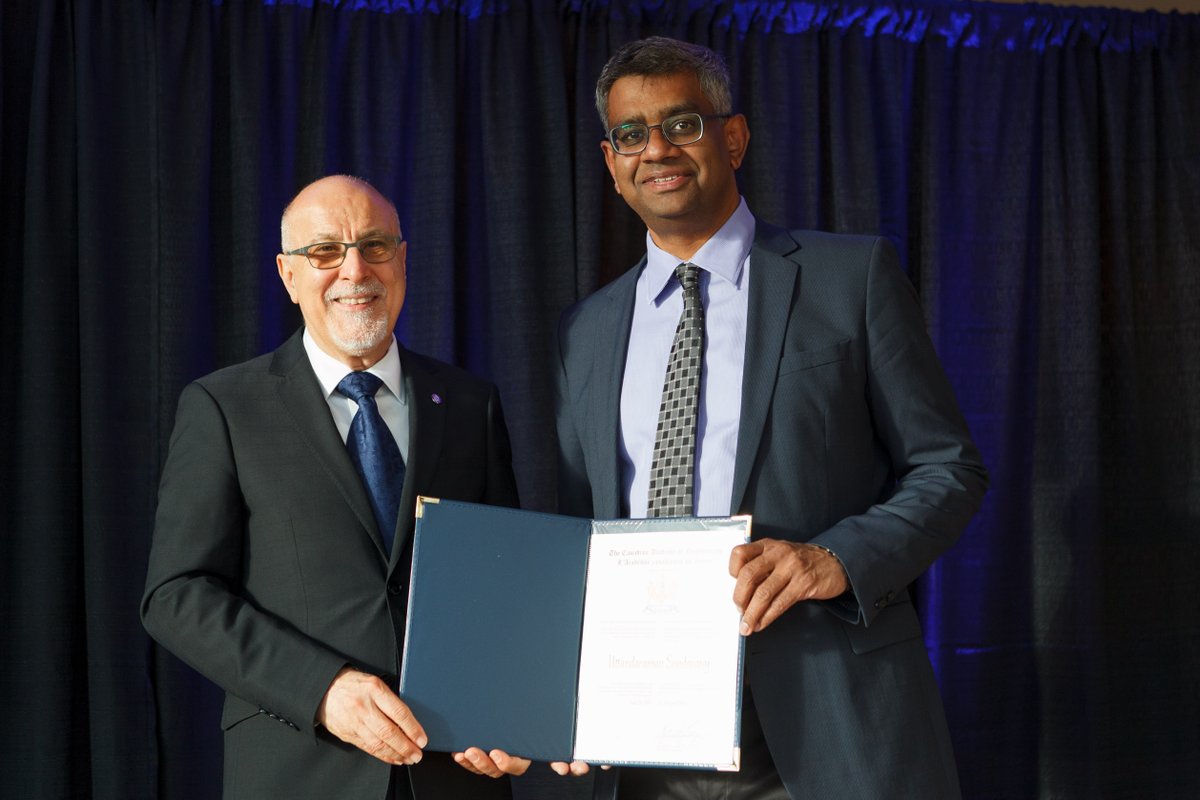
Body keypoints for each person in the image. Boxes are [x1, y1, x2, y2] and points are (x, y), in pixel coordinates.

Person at [552, 37, 989, 799]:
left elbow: (949, 468)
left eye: (682, 123)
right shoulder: (587, 332)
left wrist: (837, 558)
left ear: (734, 136)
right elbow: (575, 535)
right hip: (648, 744)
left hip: (830, 728)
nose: (656, 148)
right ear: (611, 162)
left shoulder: (849, 278)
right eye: (631, 134)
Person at [142, 175, 531, 799]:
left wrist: (516, 712)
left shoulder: (469, 403)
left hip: (457, 775)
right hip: (298, 770)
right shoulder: (224, 406)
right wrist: (321, 689)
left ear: (402, 261)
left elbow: (505, 582)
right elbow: (176, 594)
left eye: (375, 246)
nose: (355, 270)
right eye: (325, 251)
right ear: (288, 275)